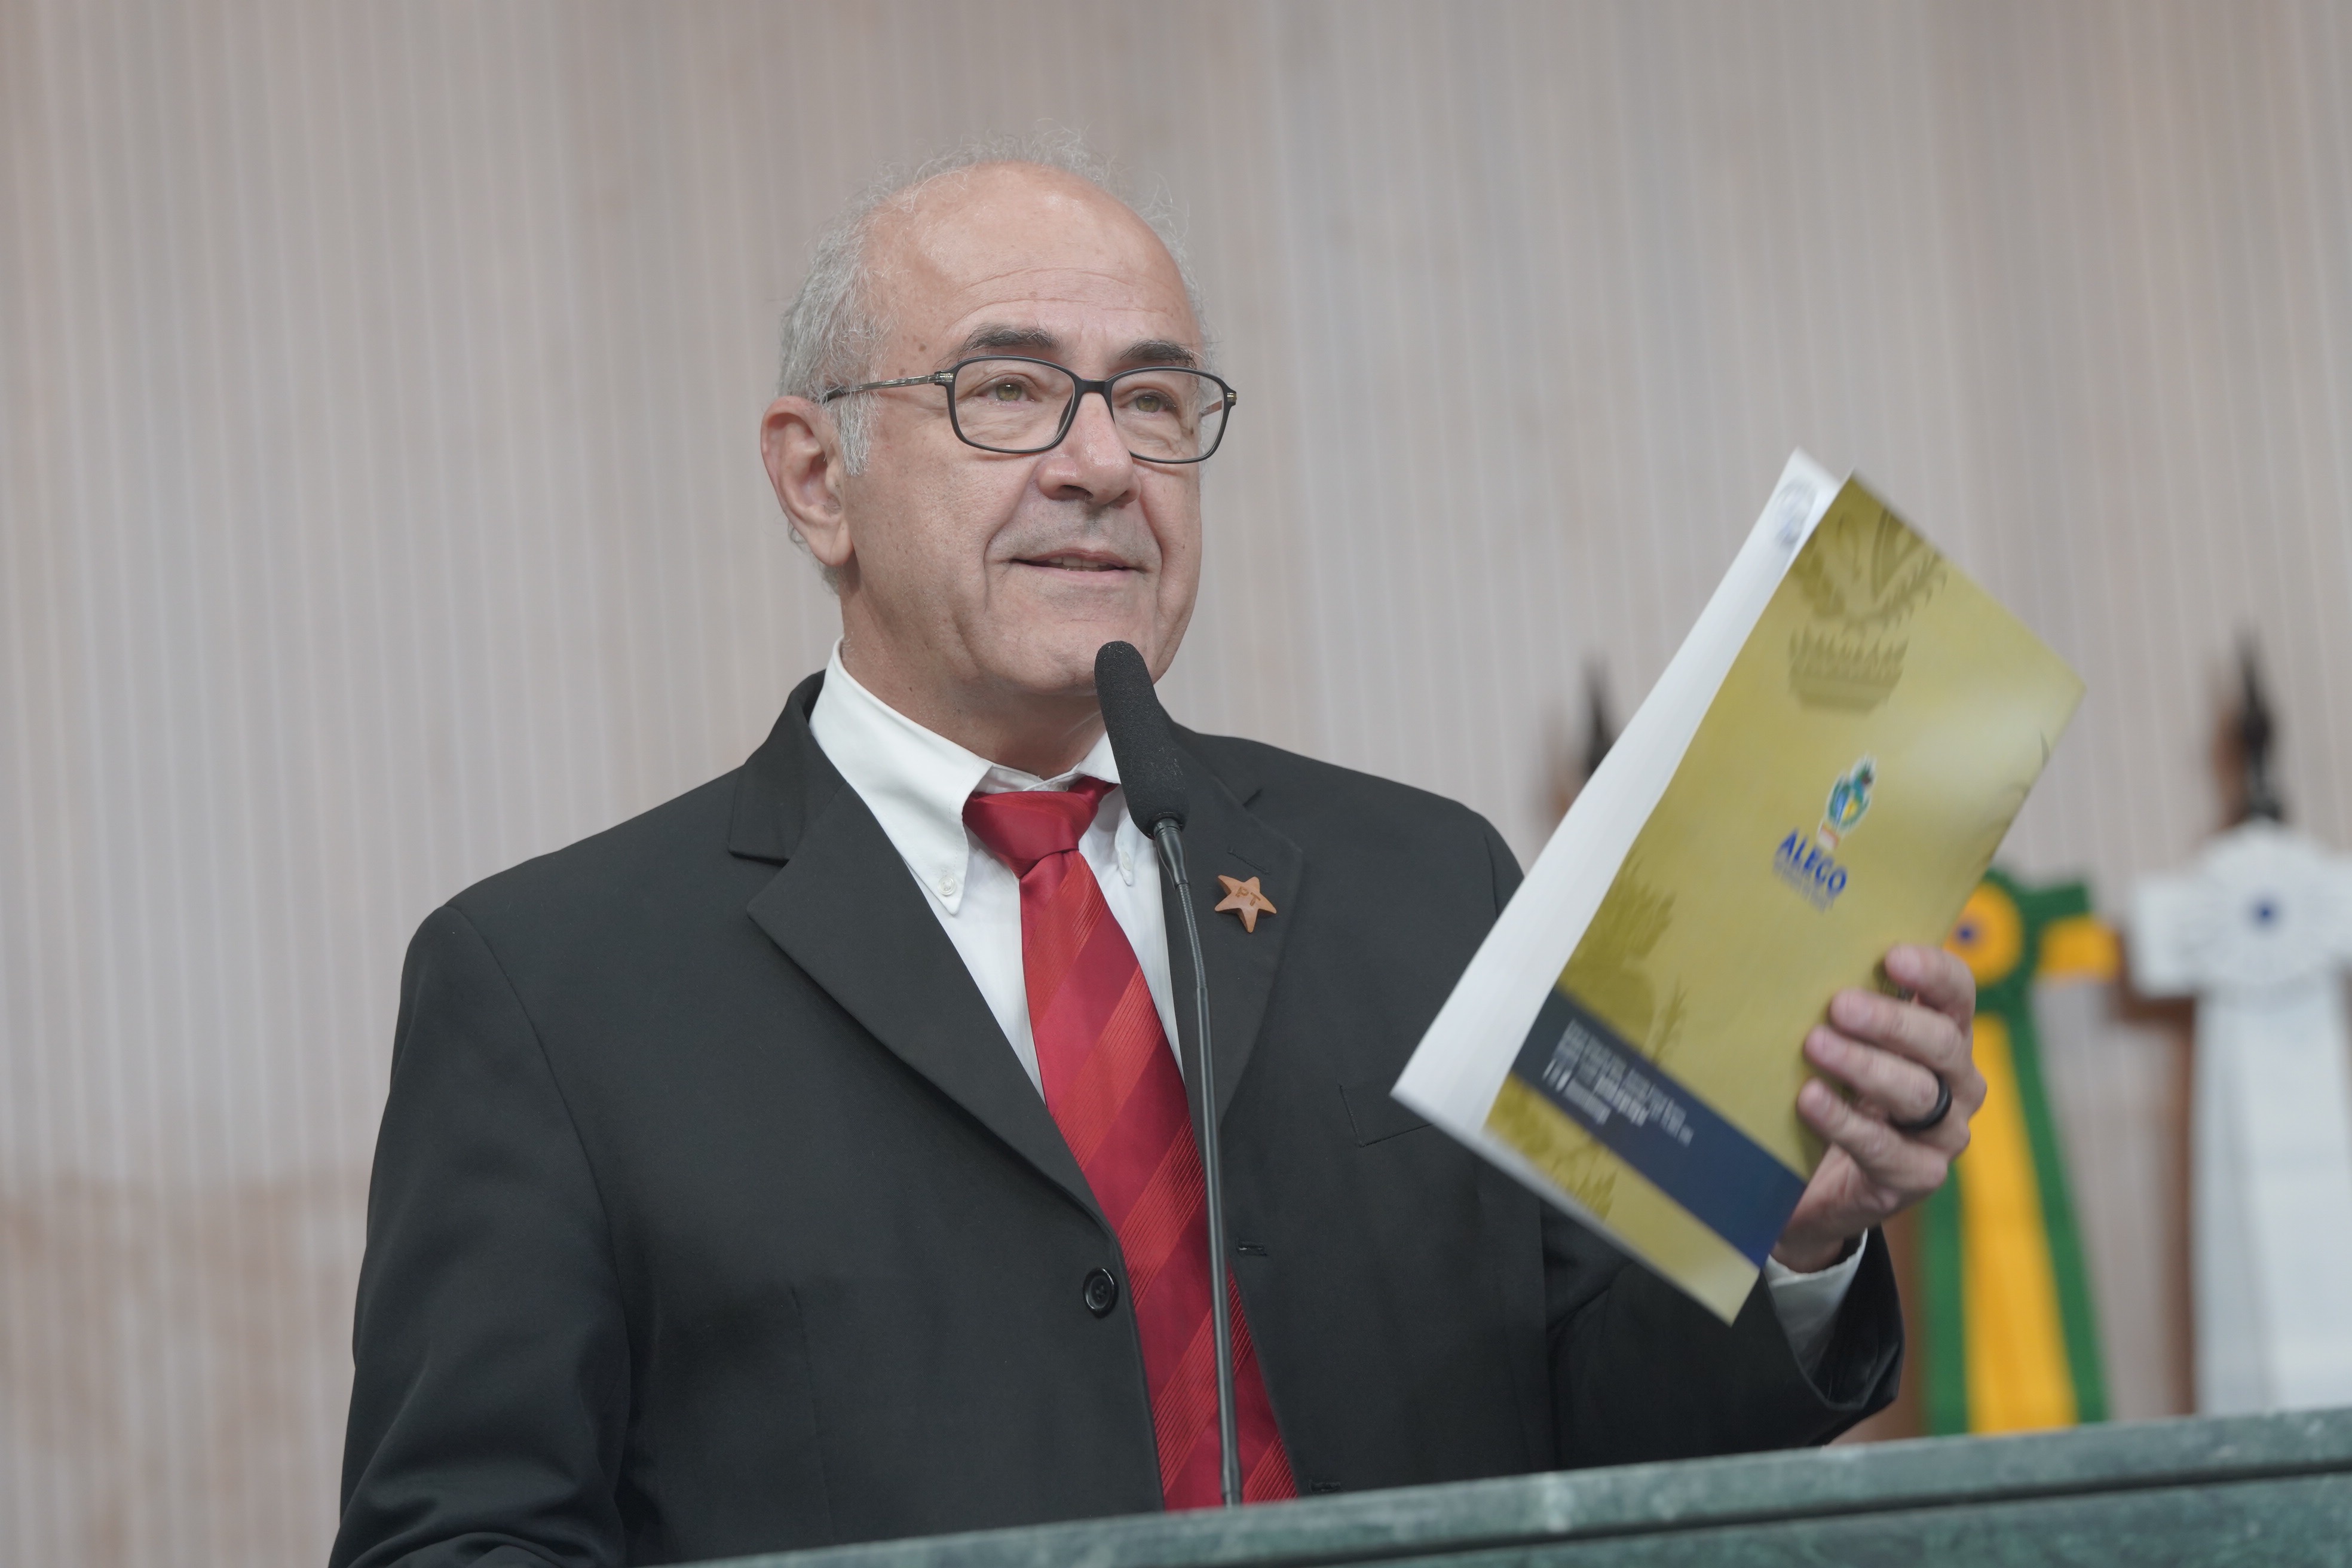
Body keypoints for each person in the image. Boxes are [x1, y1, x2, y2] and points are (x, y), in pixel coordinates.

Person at [332, 142, 1982, 1568]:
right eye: (1006, 389)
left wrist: (1794, 1238)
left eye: (1153, 397)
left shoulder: (1430, 884)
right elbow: (464, 1536)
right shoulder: (554, 989)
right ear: (815, 475)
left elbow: (1618, 1450)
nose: (1104, 462)